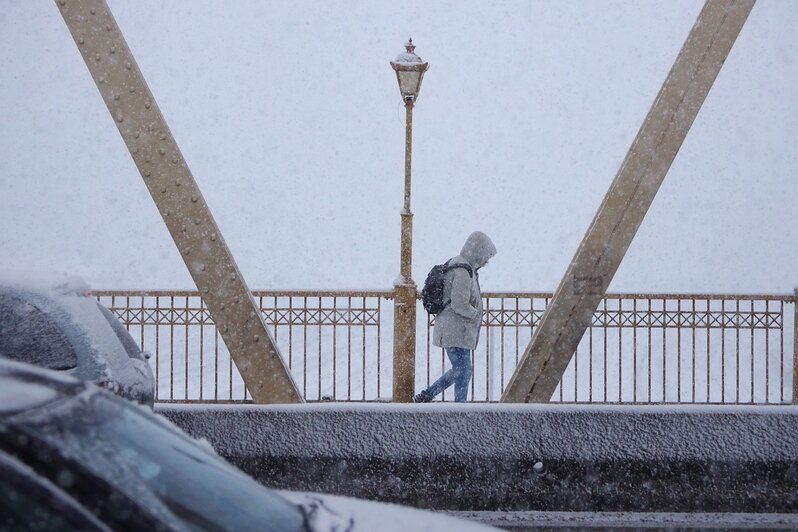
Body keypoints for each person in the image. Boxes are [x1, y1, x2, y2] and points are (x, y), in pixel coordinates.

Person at [414, 231, 496, 403]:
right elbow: (459, 303)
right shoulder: (462, 270)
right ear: (478, 253)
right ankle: (459, 408)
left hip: (457, 329)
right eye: (485, 258)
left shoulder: (463, 266)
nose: (485, 262)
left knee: (461, 370)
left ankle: (427, 396)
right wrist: (476, 315)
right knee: (463, 371)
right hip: (456, 329)